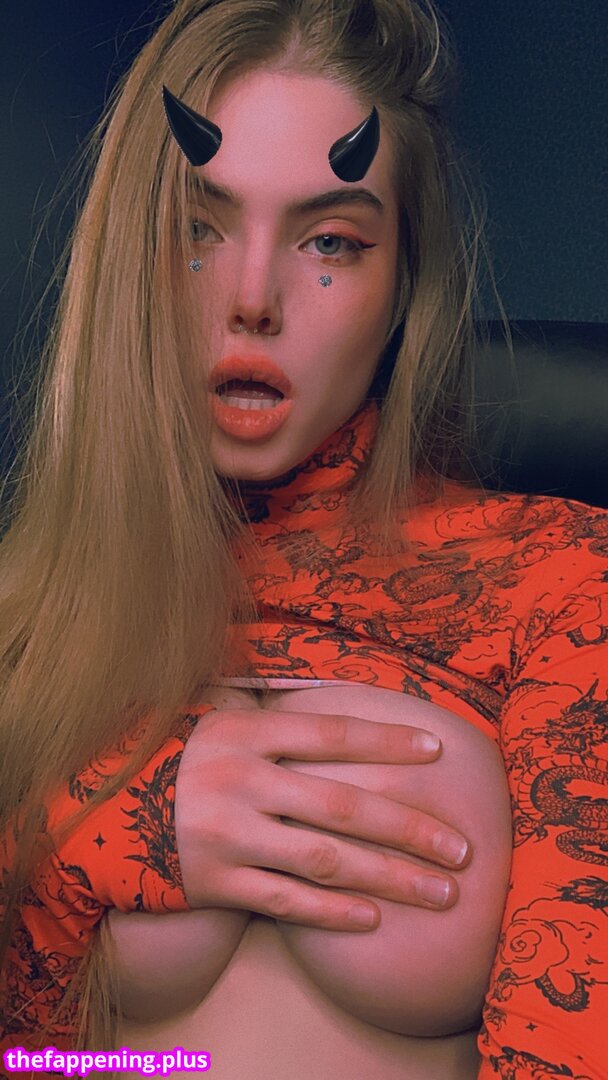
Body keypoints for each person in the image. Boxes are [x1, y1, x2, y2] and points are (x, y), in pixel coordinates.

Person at [0, 1, 606, 1078]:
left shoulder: (565, 581)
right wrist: (112, 834)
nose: (252, 300)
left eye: (330, 241)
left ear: (402, 284)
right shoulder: (23, 616)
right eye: (195, 229)